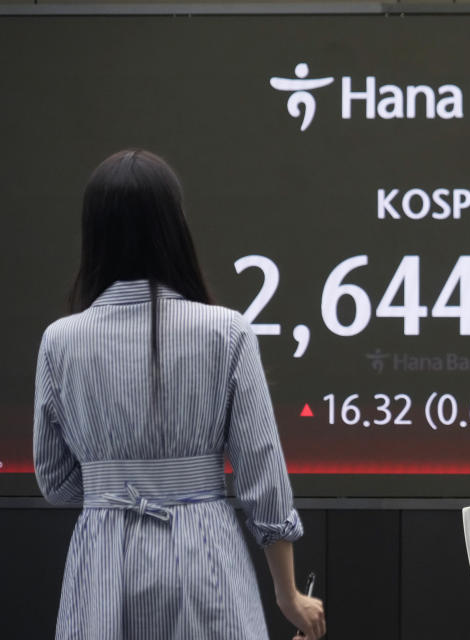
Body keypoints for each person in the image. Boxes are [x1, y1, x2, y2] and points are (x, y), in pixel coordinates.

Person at [33, 150, 326, 639]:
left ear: (94, 232)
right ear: (174, 227)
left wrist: (115, 489)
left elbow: (55, 481)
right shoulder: (226, 332)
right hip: (203, 559)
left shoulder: (60, 340)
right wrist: (288, 594)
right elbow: (262, 473)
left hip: (101, 566)